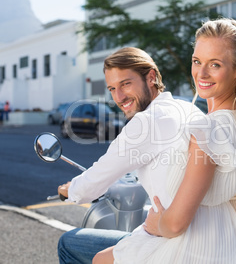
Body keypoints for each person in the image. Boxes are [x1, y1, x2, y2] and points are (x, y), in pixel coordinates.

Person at [94, 18, 236, 264]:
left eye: (215, 64)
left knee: (96, 258)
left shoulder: (208, 129)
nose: (201, 73)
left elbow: (175, 224)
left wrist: (155, 223)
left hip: (195, 248)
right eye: (197, 61)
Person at [57, 47, 203, 263]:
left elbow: (96, 178)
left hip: (171, 240)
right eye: (112, 88)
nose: (119, 96)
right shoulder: (188, 109)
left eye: (126, 84)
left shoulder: (145, 123)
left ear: (151, 77)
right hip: (196, 232)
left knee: (68, 243)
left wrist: (70, 190)